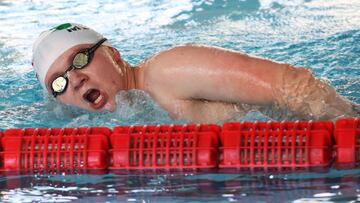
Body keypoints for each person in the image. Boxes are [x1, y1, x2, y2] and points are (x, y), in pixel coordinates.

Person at [32, 23, 359, 123]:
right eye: (58, 83)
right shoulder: (109, 122)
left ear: (114, 55)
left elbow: (291, 84)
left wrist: (347, 128)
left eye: (79, 61)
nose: (74, 80)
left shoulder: (167, 72)